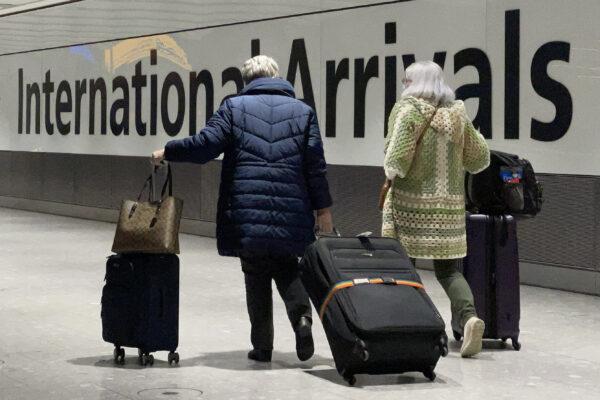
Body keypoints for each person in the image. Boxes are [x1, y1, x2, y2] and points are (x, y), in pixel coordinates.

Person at [152, 55, 333, 363]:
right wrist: (323, 210)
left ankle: (262, 346)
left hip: (247, 208)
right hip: (293, 208)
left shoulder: (233, 108)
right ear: (277, 76)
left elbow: (205, 145)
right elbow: (315, 167)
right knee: (288, 267)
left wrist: (167, 150)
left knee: (255, 273)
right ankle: (302, 320)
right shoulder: (304, 112)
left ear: (246, 80)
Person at [382, 61, 490, 358]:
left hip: (409, 207)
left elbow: (396, 159)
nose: (404, 84)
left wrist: (391, 172)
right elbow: (480, 158)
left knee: (405, 268)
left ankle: (416, 325)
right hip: (451, 209)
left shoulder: (407, 110)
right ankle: (469, 318)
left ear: (415, 82)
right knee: (448, 271)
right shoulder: (458, 115)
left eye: (407, 79)